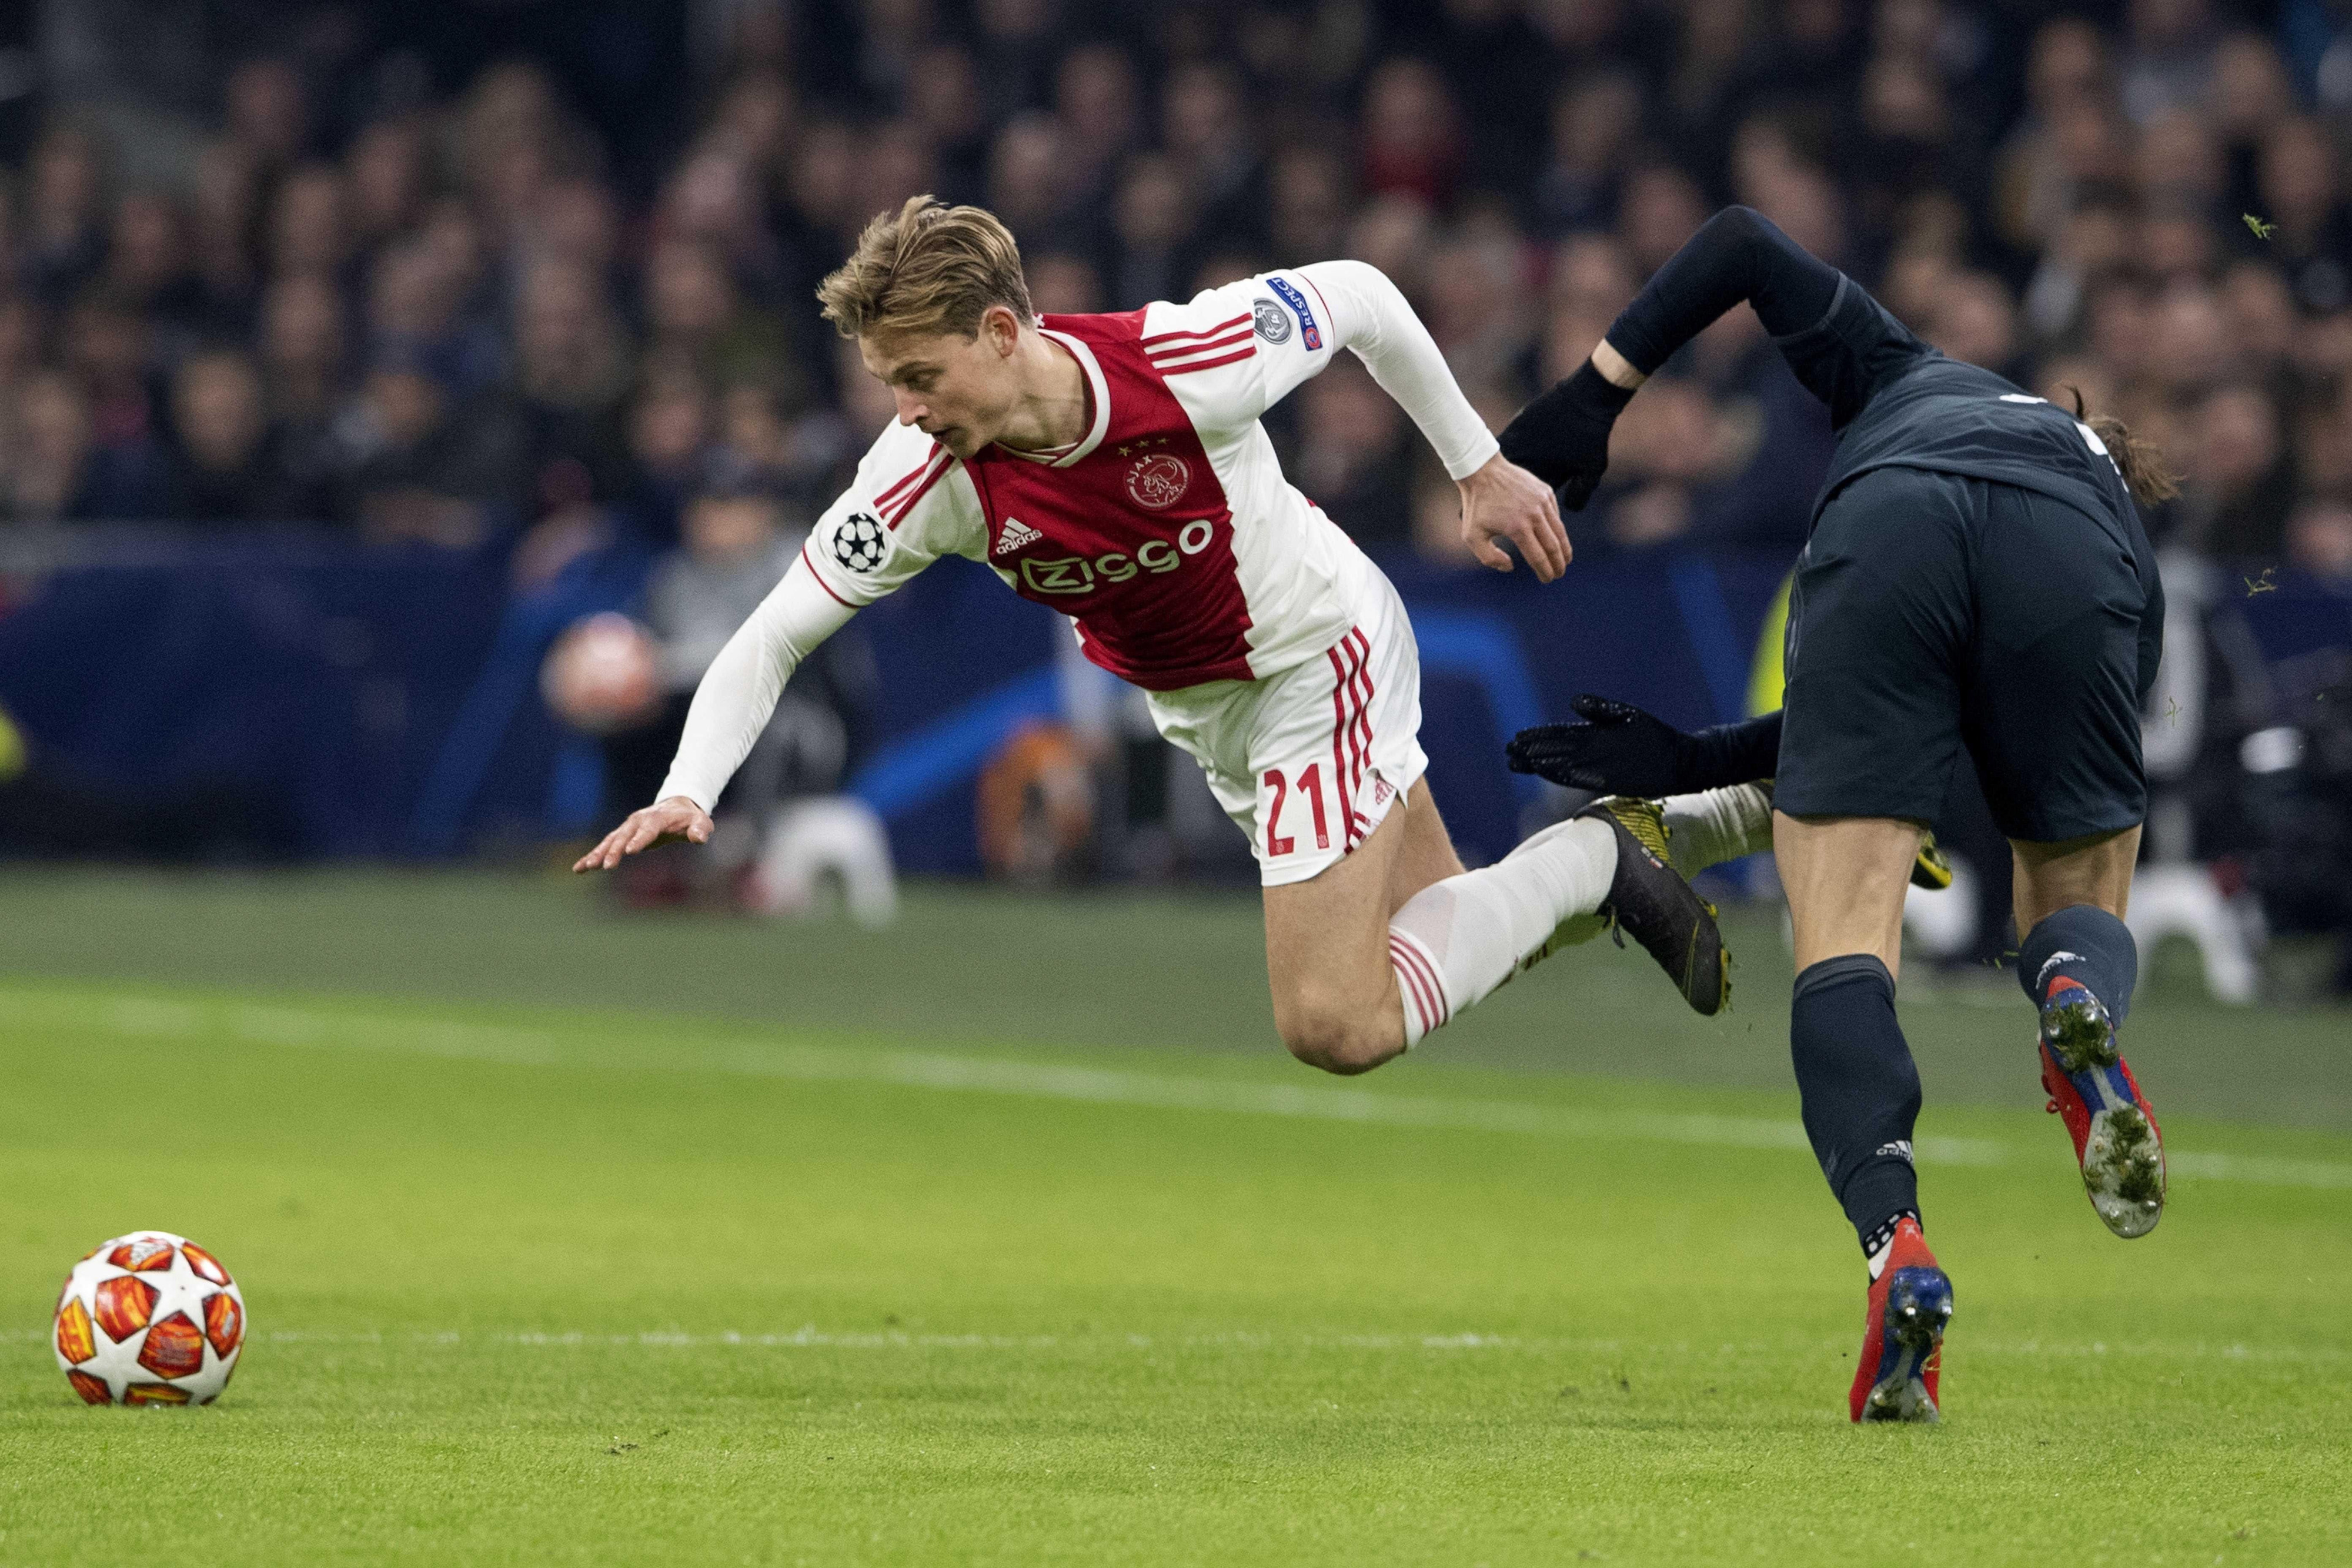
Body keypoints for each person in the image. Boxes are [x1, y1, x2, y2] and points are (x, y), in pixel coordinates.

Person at [579, 195, 1750, 1078]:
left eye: (920, 376)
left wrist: (1475, 464)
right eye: (889, 384)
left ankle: (1609, 853)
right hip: (1208, 712)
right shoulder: (923, 478)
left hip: (1310, 653)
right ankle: (1690, 826)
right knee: (1451, 928)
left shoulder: (1181, 360)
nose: (906, 410)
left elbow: (1358, 296)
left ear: (999, 331)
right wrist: (691, 785)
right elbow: (775, 631)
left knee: (1332, 1022)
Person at [1498, 206, 2176, 1424]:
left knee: (1846, 937)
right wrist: (1703, 753)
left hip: (1888, 521)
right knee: (2072, 893)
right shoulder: (2103, 503)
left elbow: (1742, 240)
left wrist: (1594, 394)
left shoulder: (1907, 373)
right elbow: (1994, 726)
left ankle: (1894, 1241)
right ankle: (2072, 1000)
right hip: (2072, 573)